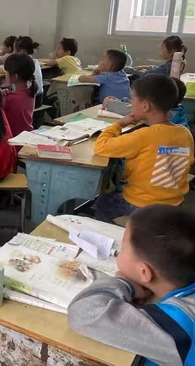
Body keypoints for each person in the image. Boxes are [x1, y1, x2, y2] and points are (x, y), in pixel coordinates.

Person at [68, 205, 195, 366]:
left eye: (123, 248)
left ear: (144, 272)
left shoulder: (179, 326)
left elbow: (84, 313)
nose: (118, 252)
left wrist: (125, 283)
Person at [93, 75, 194, 222]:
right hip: (174, 204)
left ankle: (106, 232)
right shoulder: (185, 134)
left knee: (103, 201)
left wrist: (119, 124)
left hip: (141, 205)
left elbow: (101, 146)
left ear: (145, 106)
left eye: (132, 100)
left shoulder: (144, 135)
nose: (131, 104)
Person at [2, 53, 38, 136]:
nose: (5, 74)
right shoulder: (30, 91)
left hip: (14, 139)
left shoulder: (8, 98)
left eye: (6, 71)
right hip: (27, 135)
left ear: (15, 76)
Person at [14, 36, 44, 107]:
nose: (13, 53)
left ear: (22, 51)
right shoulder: (35, 61)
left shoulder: (22, 63)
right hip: (39, 98)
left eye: (14, 50)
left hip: (29, 100)